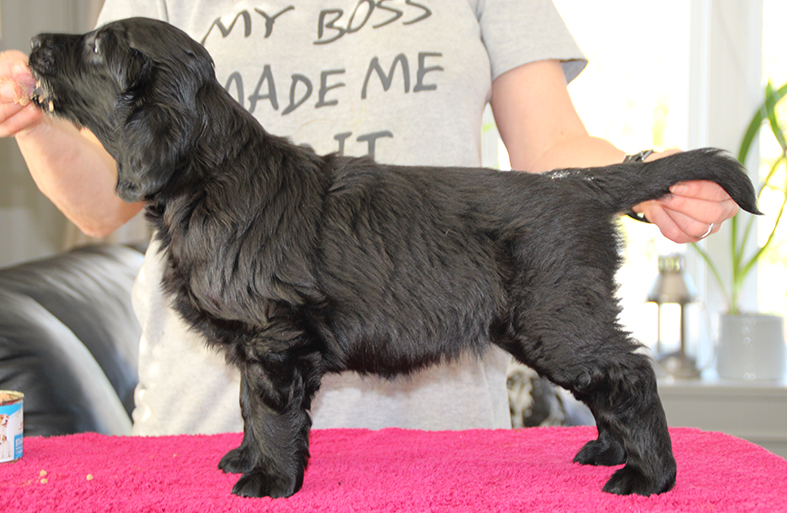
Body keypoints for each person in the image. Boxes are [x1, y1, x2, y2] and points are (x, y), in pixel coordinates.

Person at [0, 0, 739, 435]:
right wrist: (33, 120)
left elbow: (549, 147)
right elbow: (107, 198)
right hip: (209, 426)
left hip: (439, 425)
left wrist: (641, 174)